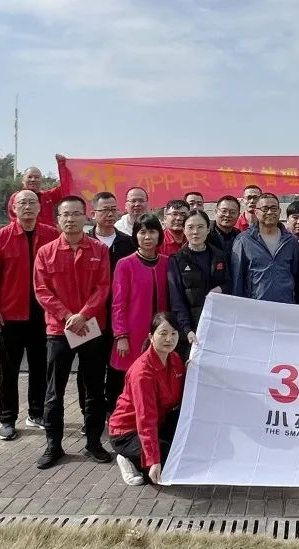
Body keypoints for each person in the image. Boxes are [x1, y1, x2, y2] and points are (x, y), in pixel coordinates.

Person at [33, 196, 112, 469]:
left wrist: (84, 315)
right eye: (65, 214)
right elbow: (41, 290)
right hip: (59, 329)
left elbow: (103, 287)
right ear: (58, 219)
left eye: (76, 213)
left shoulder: (99, 250)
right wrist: (68, 316)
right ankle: (53, 445)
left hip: (90, 327)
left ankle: (93, 443)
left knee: (94, 389)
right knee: (54, 391)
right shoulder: (46, 252)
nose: (71, 219)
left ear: (86, 216)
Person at [0, 190, 58, 441]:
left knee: (40, 366)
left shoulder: (52, 235)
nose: (27, 206)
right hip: (10, 314)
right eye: (22, 202)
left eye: (32, 202)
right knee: (8, 370)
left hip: (43, 313)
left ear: (40, 208)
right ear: (13, 208)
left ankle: (36, 413)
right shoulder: (0, 238)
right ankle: (7, 418)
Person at [109, 312, 185, 486]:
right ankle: (128, 458)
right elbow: (145, 418)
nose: (169, 339)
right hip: (127, 431)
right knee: (165, 464)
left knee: (186, 445)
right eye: (163, 333)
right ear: (151, 336)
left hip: (159, 420)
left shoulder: (175, 359)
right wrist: (153, 460)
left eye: (173, 333)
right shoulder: (142, 373)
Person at [84, 191, 135, 420]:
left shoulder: (127, 242)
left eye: (113, 209)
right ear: (93, 213)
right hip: (91, 316)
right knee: (90, 367)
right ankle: (90, 414)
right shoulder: (84, 241)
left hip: (119, 316)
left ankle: (115, 412)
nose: (110, 214)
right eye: (104, 210)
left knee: (117, 366)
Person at [111, 212, 170, 406]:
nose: (147, 237)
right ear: (135, 235)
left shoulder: (167, 262)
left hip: (161, 332)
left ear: (159, 234)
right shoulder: (125, 264)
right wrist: (121, 336)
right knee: (131, 380)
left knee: (156, 377)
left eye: (152, 232)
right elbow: (118, 303)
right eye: (142, 232)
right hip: (133, 333)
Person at [169, 210, 231, 353]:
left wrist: (221, 289)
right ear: (184, 230)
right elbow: (176, 299)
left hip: (217, 324)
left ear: (208, 229)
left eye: (200, 227)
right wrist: (186, 329)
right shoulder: (177, 259)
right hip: (191, 328)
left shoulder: (219, 256)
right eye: (190, 227)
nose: (195, 232)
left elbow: (229, 284)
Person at [231, 193, 299, 303]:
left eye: (274, 208)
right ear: (256, 212)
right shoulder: (244, 240)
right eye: (265, 208)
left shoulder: (291, 241)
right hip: (255, 305)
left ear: (279, 211)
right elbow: (237, 278)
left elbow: (295, 273)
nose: (270, 212)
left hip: (285, 303)